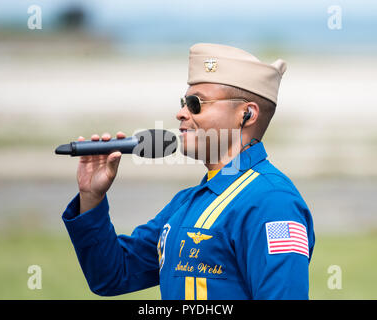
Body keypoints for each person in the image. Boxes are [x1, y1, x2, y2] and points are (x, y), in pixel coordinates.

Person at [62, 43, 315, 300]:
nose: (181, 113)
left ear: (246, 114)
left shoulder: (272, 202)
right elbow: (112, 275)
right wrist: (91, 197)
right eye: (184, 102)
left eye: (196, 104)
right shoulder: (188, 202)